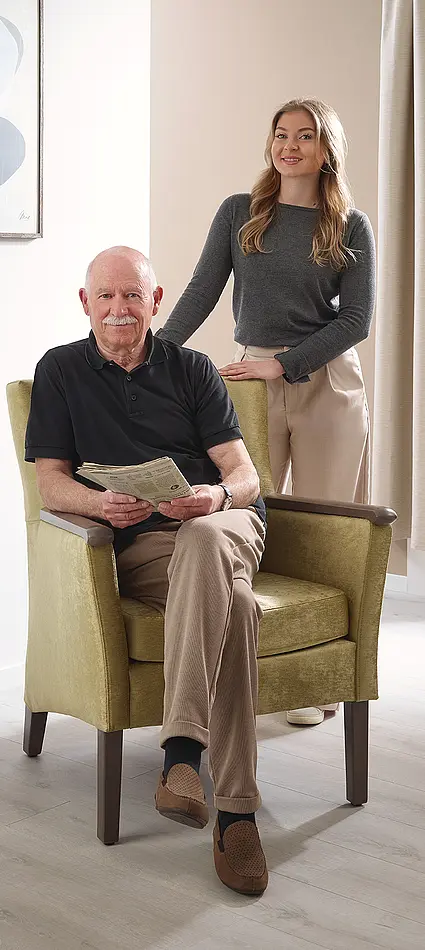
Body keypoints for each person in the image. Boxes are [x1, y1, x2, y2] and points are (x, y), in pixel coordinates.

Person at [25, 246, 269, 896]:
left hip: (221, 528)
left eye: (132, 295)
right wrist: (97, 502)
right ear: (86, 304)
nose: (118, 308)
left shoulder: (191, 369)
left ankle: (183, 754)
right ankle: (237, 814)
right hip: (140, 548)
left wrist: (214, 498)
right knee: (237, 608)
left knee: (203, 539)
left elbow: (244, 474)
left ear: (155, 303)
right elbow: (51, 485)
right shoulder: (60, 371)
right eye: (105, 296)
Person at [157, 97, 376, 728]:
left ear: (325, 148)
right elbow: (202, 291)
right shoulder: (240, 213)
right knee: (251, 514)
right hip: (249, 377)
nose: (290, 146)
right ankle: (252, 662)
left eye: (305, 136)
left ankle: (320, 679)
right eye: (281, 134)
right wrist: (155, 355)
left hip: (327, 380)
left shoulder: (350, 225)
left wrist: (287, 364)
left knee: (328, 519)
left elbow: (356, 319)